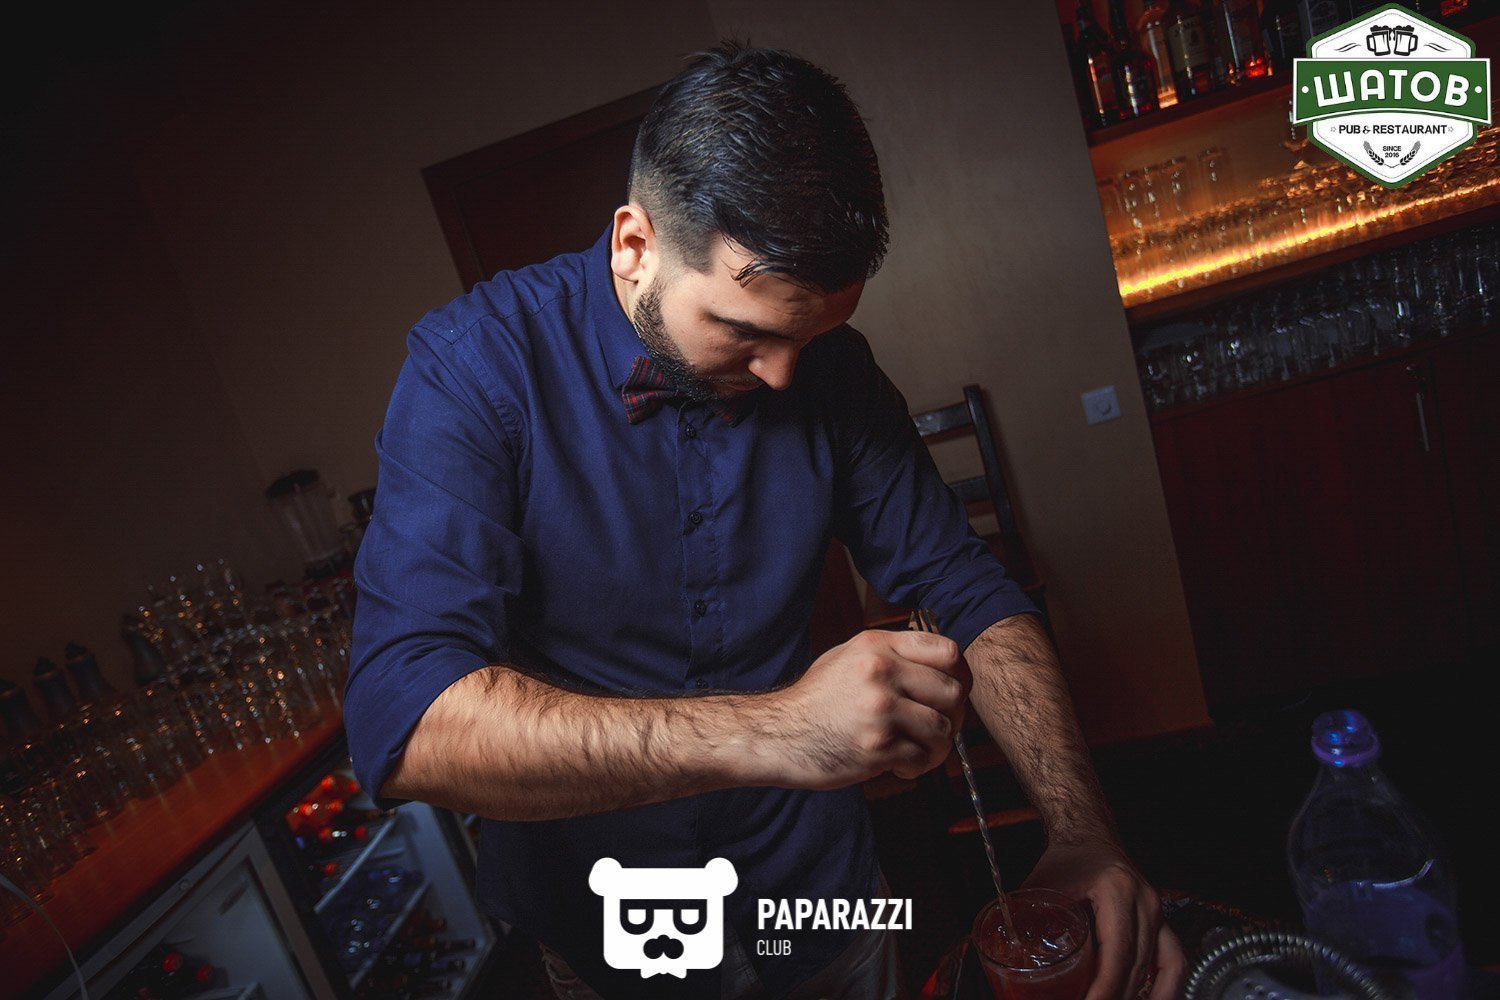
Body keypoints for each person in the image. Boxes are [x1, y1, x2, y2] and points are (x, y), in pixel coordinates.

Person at [345, 41, 1183, 1000]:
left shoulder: (830, 372)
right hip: (618, 925)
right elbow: (408, 721)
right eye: (743, 332)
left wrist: (1083, 833)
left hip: (819, 894)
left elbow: (965, 585)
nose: (785, 375)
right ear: (634, 245)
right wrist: (785, 730)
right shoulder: (472, 369)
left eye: (810, 335)